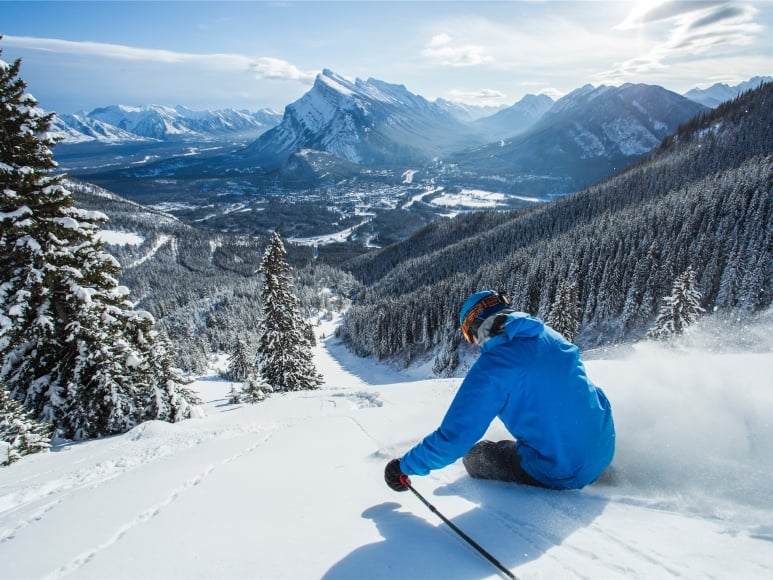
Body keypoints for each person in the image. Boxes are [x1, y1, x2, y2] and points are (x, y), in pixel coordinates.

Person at [385, 290, 615, 492]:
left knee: (476, 456)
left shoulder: (494, 367)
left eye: (468, 335)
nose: (473, 343)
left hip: (560, 471)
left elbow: (453, 438)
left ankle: (567, 466)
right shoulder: (550, 335)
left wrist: (403, 467)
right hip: (605, 447)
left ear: (475, 328)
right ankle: (588, 462)